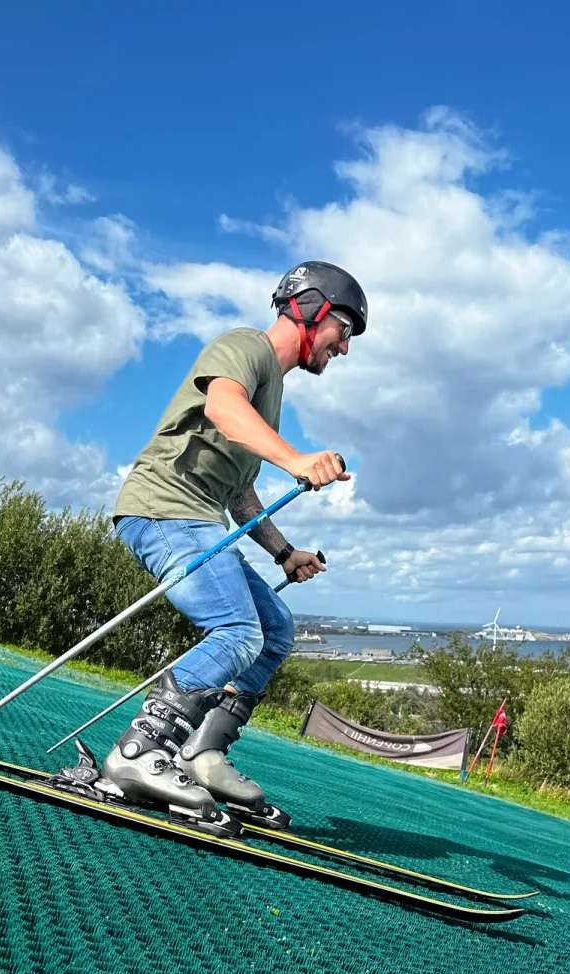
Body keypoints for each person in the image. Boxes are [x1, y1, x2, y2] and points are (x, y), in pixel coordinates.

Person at [94, 261, 368, 831]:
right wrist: (295, 459)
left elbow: (238, 489)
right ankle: (137, 753)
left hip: (199, 519)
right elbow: (222, 407)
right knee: (238, 631)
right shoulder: (245, 347)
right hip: (162, 510)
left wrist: (283, 552)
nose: (344, 348)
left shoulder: (270, 394)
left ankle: (203, 754)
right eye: (345, 330)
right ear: (314, 309)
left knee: (275, 631)